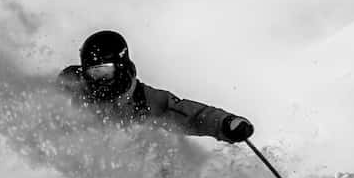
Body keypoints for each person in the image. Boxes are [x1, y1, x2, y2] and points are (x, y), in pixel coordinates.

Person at [58, 29, 254, 145]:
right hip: (75, 161)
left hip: (122, 169)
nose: (97, 80)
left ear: (120, 67)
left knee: (157, 151)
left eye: (103, 72)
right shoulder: (72, 86)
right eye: (91, 73)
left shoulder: (143, 100)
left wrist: (226, 123)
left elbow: (192, 116)